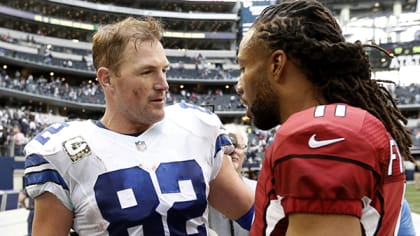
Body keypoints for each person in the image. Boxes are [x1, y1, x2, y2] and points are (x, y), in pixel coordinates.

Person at [23, 17, 254, 235]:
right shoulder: (65, 151)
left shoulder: (196, 128)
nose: (163, 84)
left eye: (164, 70)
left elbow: (254, 216)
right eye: (147, 72)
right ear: (106, 78)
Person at [235, 0, 416, 235]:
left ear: (276, 64)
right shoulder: (350, 124)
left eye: (243, 68)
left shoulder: (317, 134)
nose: (239, 86)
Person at [208, 123, 257, 236]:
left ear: (245, 152)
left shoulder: (258, 188)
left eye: (239, 146)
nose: (233, 150)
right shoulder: (204, 191)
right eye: (228, 146)